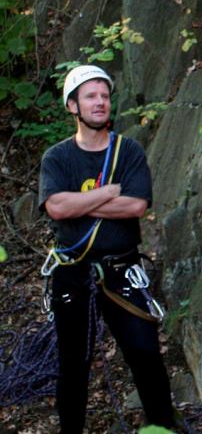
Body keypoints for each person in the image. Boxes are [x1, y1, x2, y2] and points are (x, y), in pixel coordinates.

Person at [39, 65, 176, 434]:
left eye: (105, 96)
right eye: (90, 96)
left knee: (146, 354)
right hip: (72, 273)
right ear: (73, 106)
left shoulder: (127, 150)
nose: (100, 103)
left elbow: (136, 207)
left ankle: (163, 427)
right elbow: (55, 208)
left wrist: (78, 202)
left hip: (122, 269)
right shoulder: (57, 158)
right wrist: (110, 192)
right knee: (73, 363)